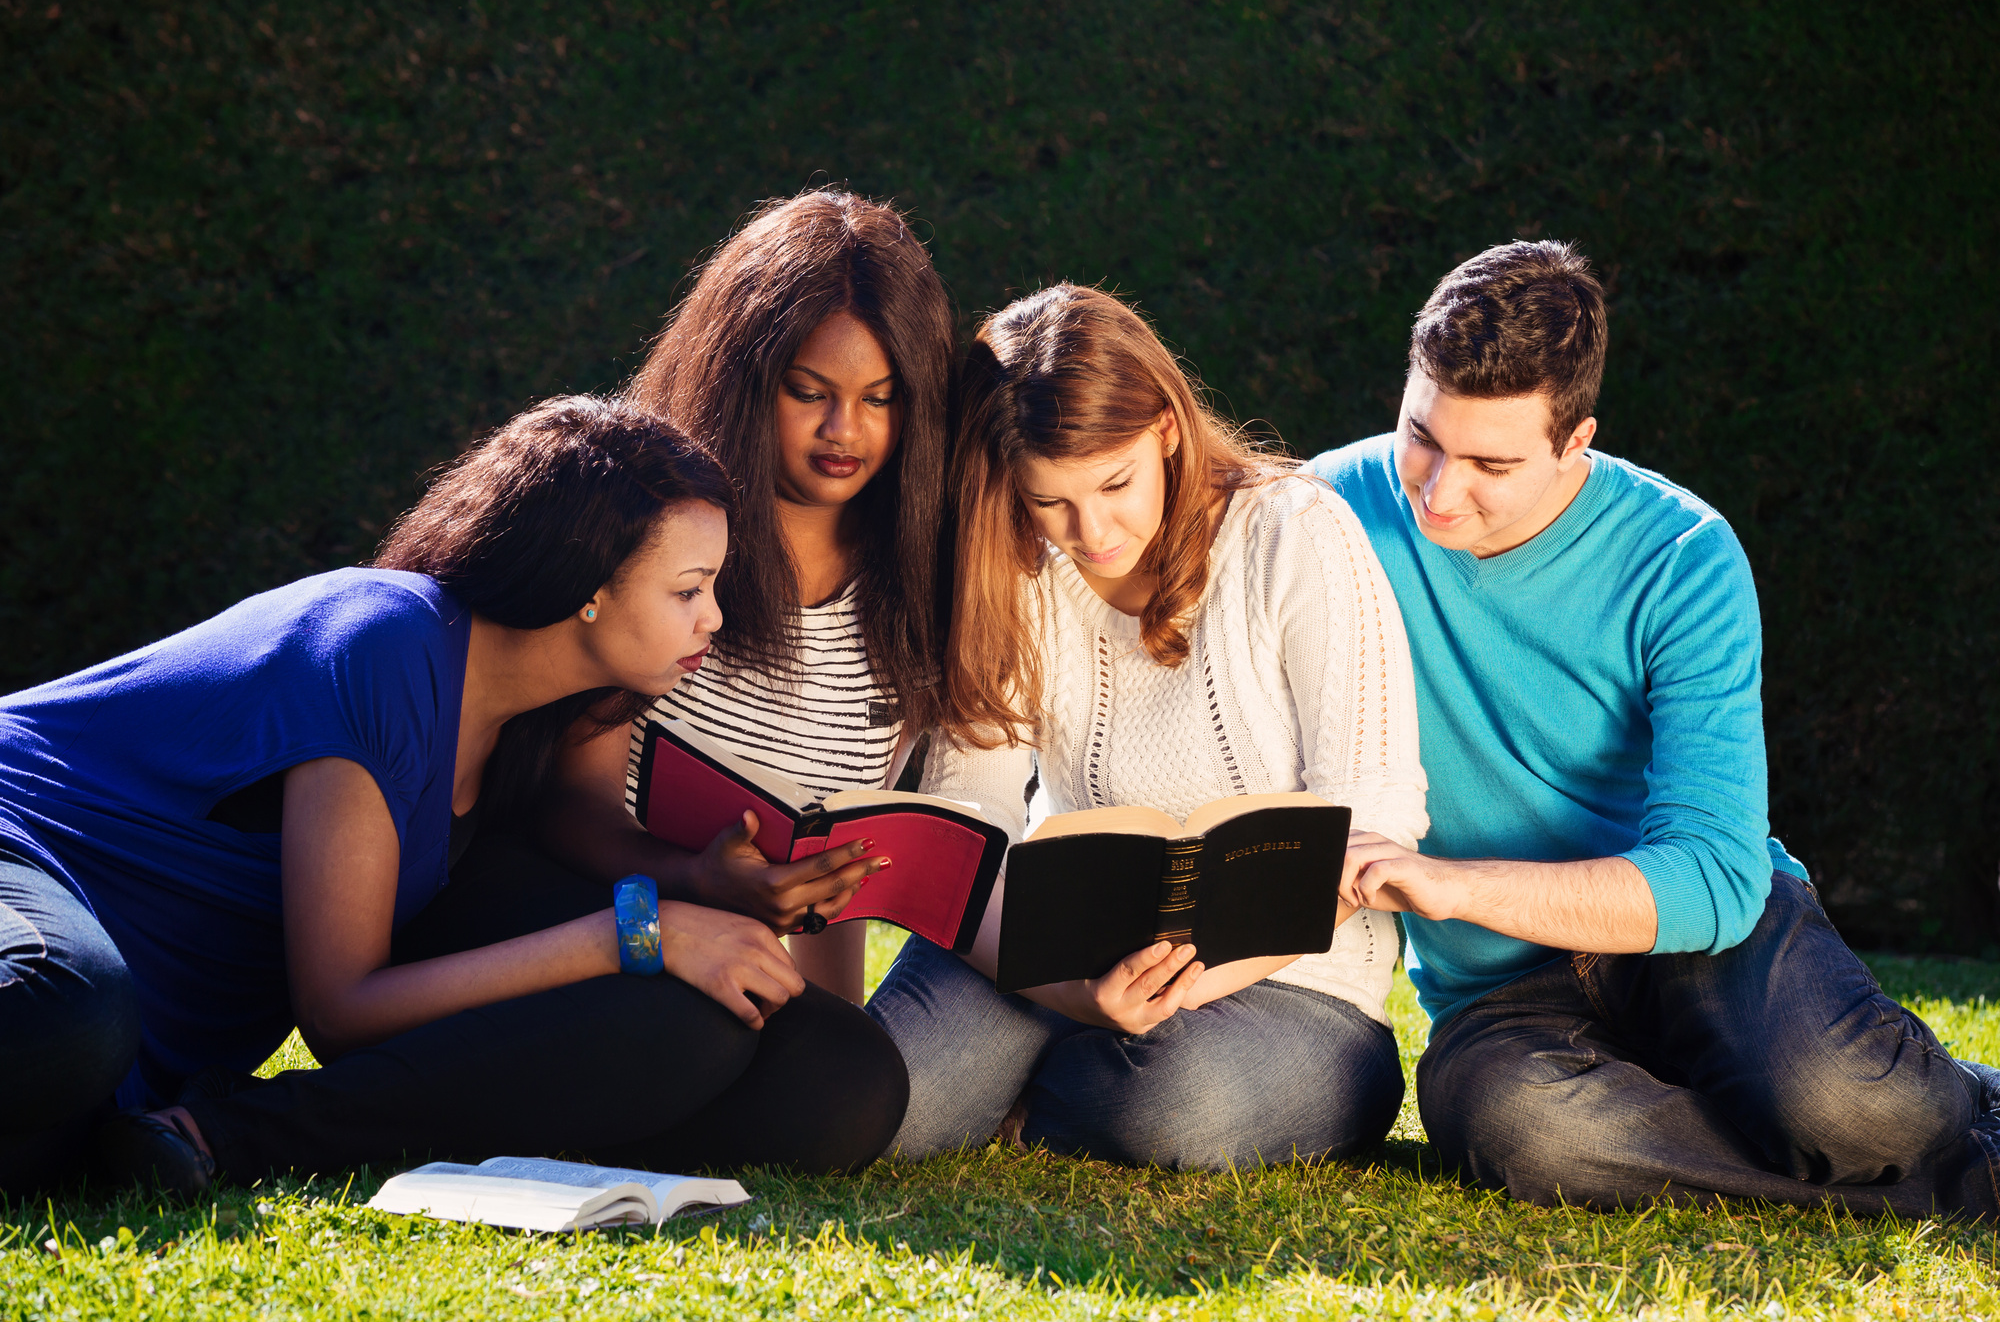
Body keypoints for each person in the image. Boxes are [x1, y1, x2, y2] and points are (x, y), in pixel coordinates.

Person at [0, 395, 907, 1196]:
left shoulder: (547, 716)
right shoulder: (384, 646)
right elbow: (342, 1008)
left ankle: (172, 1136)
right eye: (689, 588)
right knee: (68, 1007)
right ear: (584, 589)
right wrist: (640, 930)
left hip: (139, 1046)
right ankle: (240, 1134)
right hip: (28, 860)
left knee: (836, 1077)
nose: (714, 616)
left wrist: (694, 905)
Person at [1311, 240, 2000, 1216]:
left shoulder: (1681, 553)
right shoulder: (1323, 512)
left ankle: (1941, 1115)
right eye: (1419, 435)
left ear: (1575, 441)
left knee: (1855, 1104)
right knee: (1530, 1134)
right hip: (1503, 1000)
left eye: (1490, 463)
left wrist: (1452, 885)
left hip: (1698, 948)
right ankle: (1942, 1173)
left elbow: (1716, 882)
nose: (1435, 489)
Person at [866, 284, 1427, 1170]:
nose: (1091, 533)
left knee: (1177, 1108)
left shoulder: (1295, 531)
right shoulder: (1012, 567)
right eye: (1049, 501)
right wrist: (1080, 994)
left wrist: (1177, 985)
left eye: (1115, 484)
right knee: (884, 1105)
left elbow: (1372, 828)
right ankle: (1058, 1072)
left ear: (1167, 426)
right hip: (1065, 959)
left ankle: (1050, 1089)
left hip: (1292, 983)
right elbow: (964, 837)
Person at [529, 189, 955, 1005]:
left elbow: (839, 872)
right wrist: (696, 877)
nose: (845, 430)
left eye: (880, 397)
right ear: (744, 379)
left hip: (760, 961)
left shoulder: (912, 582)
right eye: (809, 391)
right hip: (618, 925)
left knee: (850, 1090)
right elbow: (566, 806)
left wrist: (835, 1024)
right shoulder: (661, 528)